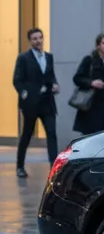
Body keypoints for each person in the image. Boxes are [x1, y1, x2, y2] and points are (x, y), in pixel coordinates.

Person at [13, 27, 59, 177]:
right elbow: (17, 80)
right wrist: (24, 93)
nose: (38, 41)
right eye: (35, 39)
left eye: (40, 38)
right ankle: (20, 166)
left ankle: (54, 167)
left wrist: (55, 85)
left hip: (47, 103)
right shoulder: (23, 58)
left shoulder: (49, 57)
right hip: (31, 105)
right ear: (30, 41)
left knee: (51, 134)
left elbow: (51, 76)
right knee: (26, 135)